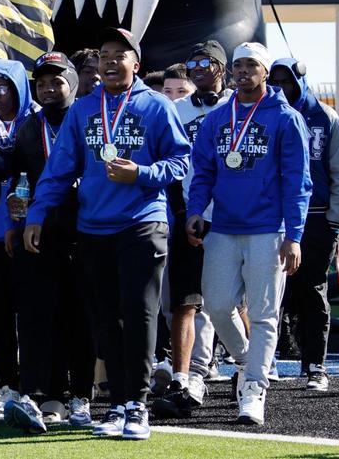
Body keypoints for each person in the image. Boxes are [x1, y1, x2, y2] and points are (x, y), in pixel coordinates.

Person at [24, 28, 190, 441]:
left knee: (139, 313)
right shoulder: (83, 110)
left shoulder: (156, 106)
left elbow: (182, 161)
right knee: (107, 321)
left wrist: (143, 173)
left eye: (120, 54)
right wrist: (37, 214)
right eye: (104, 55)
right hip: (93, 227)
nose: (111, 61)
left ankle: (138, 405)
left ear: (137, 63)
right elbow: (59, 170)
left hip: (142, 223)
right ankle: (116, 404)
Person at [187, 42, 311, 426]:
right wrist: (195, 211)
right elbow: (203, 171)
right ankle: (246, 360)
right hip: (223, 227)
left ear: (264, 72)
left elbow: (297, 181)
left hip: (268, 230)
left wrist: (295, 235)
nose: (243, 72)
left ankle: (254, 389)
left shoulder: (286, 118)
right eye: (237, 65)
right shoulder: (217, 119)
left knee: (264, 315)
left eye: (251, 66)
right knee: (218, 306)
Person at [0, 52, 95, 433]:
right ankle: (49, 396)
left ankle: (82, 395)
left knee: (81, 315)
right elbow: (19, 177)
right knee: (41, 315)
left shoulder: (90, 118)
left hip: (85, 230)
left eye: (57, 81)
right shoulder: (27, 128)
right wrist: (14, 220)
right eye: (41, 83)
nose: (49, 89)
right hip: (38, 233)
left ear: (71, 82)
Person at [152, 41, 231, 419]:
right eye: (193, 62)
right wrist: (181, 212)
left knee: (231, 302)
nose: (198, 68)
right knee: (185, 300)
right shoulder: (175, 110)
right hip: (190, 212)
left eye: (206, 62)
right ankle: (183, 375)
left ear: (221, 67)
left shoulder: (240, 106)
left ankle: (251, 366)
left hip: (235, 216)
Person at [269, 58, 339, 392]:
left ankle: (315, 366)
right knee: (270, 293)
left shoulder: (326, 118)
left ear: (300, 82)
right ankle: (267, 363)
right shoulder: (264, 115)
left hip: (317, 218)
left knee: (313, 289)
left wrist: (336, 217)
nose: (281, 89)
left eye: (287, 82)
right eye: (275, 82)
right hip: (273, 219)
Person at [0, 58, 38, 411]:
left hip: (27, 232)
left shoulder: (34, 122)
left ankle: (34, 382)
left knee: (30, 315)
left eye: (4, 88)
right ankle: (7, 383)